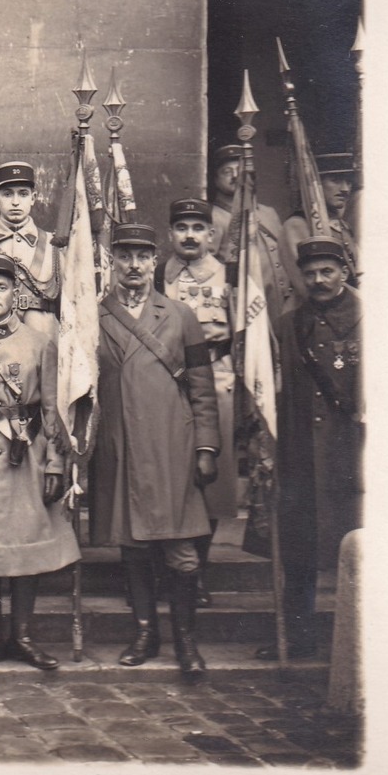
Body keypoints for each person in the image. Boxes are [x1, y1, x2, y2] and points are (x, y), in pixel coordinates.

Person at [91, 223, 221, 678]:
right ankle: (145, 633)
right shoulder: (94, 315)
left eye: (142, 257)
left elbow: (202, 387)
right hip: (122, 445)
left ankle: (186, 640)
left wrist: (206, 446)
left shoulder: (180, 314)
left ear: (154, 262)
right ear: (112, 262)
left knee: (181, 551)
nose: (133, 266)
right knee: (135, 548)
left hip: (172, 447)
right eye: (124, 256)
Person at [0, 253, 77, 671]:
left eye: (1, 287)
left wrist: (56, 463)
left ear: (16, 293)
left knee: (25, 547)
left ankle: (22, 636)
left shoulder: (40, 343)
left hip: (28, 456)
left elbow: (53, 411)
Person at [256, 236, 363, 660]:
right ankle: (298, 637)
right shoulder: (289, 324)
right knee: (299, 549)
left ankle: (360, 640)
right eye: (310, 273)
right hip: (300, 452)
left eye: (327, 271)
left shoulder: (369, 318)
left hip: (350, 453)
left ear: (345, 272)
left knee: (354, 543)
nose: (318, 280)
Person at [161, 197, 237, 606]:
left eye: (197, 227)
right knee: (169, 477)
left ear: (212, 234)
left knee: (208, 479)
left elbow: (242, 335)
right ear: (170, 233)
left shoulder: (229, 277)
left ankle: (198, 572)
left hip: (216, 377)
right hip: (168, 384)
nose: (189, 235)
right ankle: (167, 571)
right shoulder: (159, 275)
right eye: (181, 227)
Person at [0, 161, 61, 338]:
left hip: (45, 338)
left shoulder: (53, 243)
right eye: (7, 194)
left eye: (23, 194)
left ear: (33, 198)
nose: (15, 202)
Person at [208, 143, 298, 313]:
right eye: (227, 172)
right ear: (215, 180)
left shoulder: (268, 212)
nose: (236, 176)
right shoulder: (213, 217)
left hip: (283, 301)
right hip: (247, 306)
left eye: (240, 170)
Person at [282, 152, 361, 291]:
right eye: (336, 180)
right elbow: (310, 287)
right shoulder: (298, 225)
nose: (345, 189)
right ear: (316, 185)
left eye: (348, 181)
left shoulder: (342, 225)